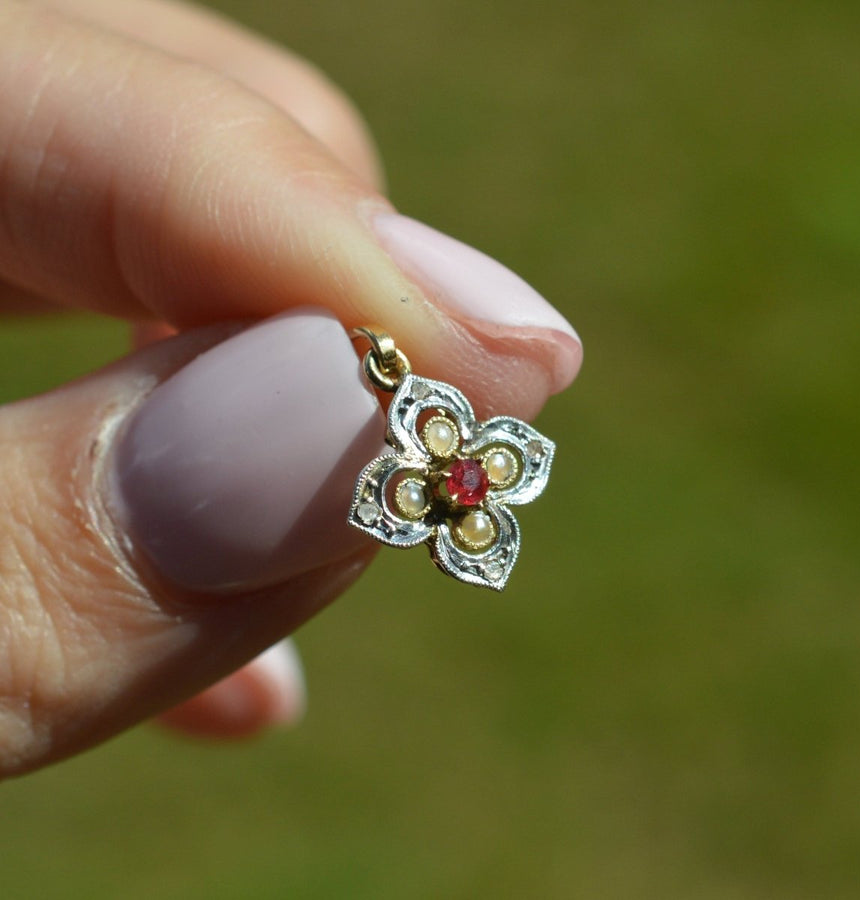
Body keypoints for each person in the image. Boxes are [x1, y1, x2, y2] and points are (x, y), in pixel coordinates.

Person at [0, 0, 582, 777]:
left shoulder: (441, 461)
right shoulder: (428, 454)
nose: (464, 482)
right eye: (464, 478)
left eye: (466, 482)